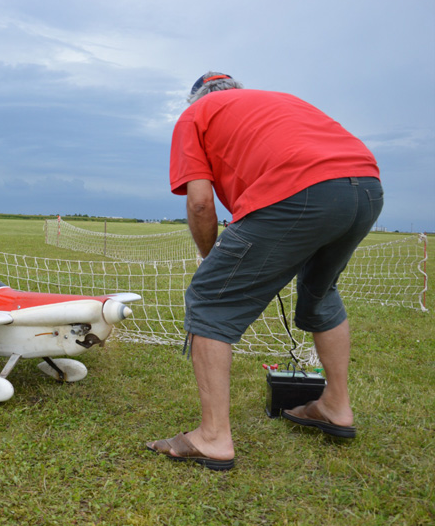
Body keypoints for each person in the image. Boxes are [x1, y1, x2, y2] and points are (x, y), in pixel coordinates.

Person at [146, 72, 383, 471]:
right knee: (322, 293)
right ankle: (336, 407)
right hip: (366, 187)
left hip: (299, 190)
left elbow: (201, 203)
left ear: (195, 98)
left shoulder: (196, 115)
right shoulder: (277, 100)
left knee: (209, 299)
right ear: (236, 91)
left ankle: (212, 437)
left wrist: (211, 258)